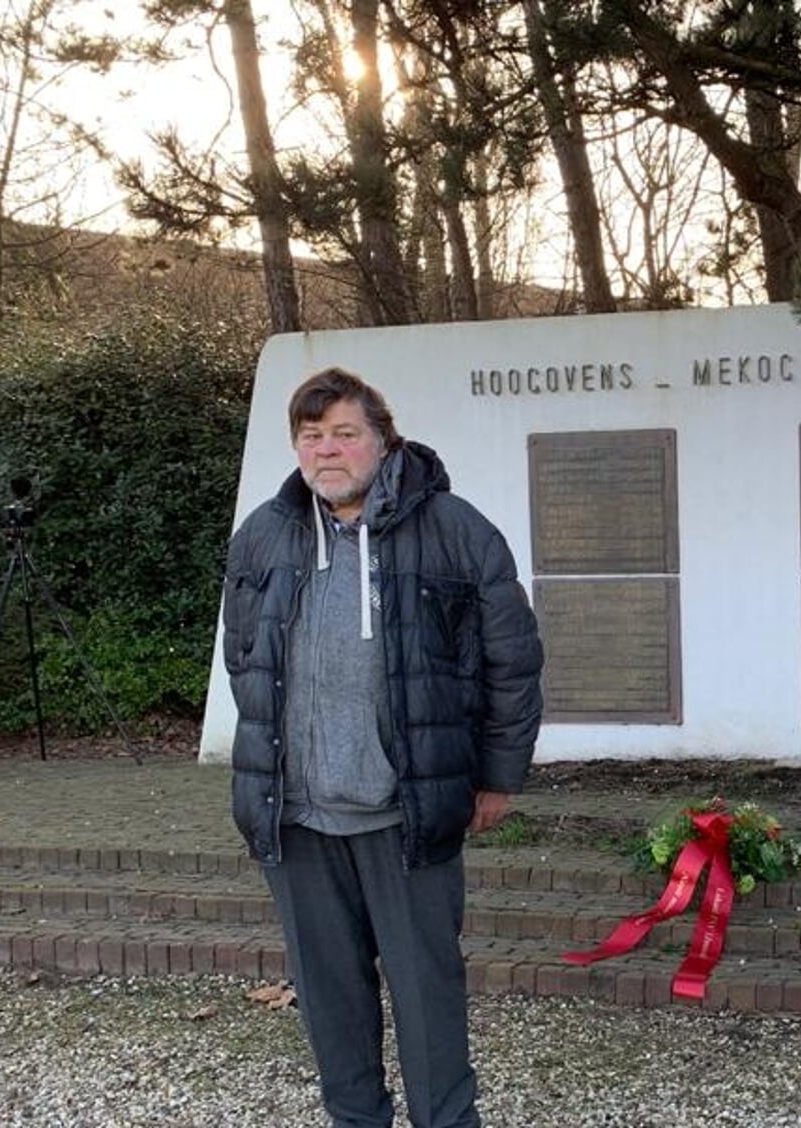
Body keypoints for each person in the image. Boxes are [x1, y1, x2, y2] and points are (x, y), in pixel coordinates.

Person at [221, 367, 544, 1128]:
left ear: (382, 440)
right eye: (311, 436)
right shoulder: (264, 535)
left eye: (344, 433)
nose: (327, 451)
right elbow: (244, 657)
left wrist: (495, 777)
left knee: (427, 992)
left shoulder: (456, 530)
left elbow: (512, 660)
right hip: (296, 816)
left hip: (406, 815)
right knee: (328, 996)